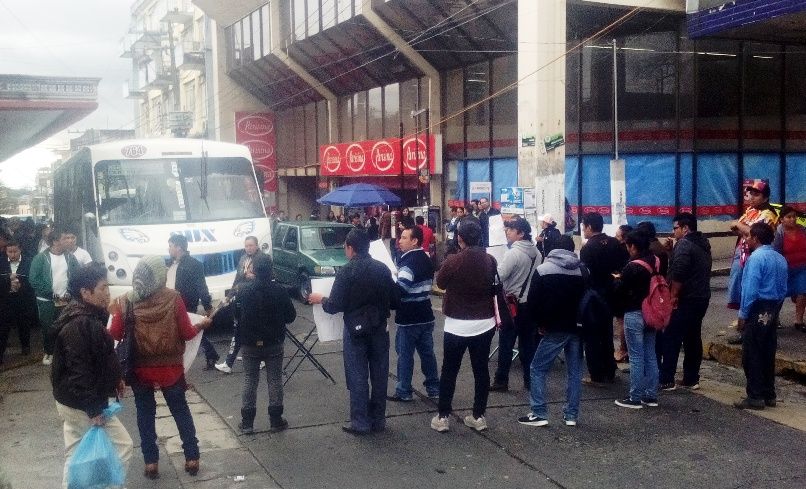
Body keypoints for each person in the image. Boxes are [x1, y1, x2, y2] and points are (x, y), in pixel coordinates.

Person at [109, 256, 212, 479]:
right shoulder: (173, 298)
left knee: (145, 414)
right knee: (180, 411)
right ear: (159, 276)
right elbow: (187, 333)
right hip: (170, 368)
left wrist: (115, 311)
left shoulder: (126, 301)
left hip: (139, 369)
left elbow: (115, 334)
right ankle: (191, 457)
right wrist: (201, 324)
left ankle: (151, 462)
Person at [51, 263, 133, 488]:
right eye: (102, 288)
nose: (107, 293)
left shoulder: (85, 315)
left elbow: (100, 357)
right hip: (80, 402)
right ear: (85, 293)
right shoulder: (80, 323)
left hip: (69, 399)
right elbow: (79, 370)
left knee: (75, 452)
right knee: (123, 446)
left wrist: (116, 378)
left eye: (108, 287)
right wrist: (94, 409)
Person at [308, 229, 396, 435]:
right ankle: (378, 419)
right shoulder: (382, 269)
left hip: (355, 329)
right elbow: (395, 299)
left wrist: (321, 299)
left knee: (357, 375)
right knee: (380, 373)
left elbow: (334, 305)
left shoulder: (346, 272)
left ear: (350, 248)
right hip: (379, 327)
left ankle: (360, 421)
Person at [431, 218, 497, 433]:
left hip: (457, 323)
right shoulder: (490, 260)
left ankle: (443, 416)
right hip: (484, 321)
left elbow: (440, 283)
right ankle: (478, 415)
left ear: (459, 238)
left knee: (450, 370)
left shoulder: (453, 260)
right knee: (481, 370)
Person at [518, 236, 586, 427]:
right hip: (578, 327)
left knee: (537, 368)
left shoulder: (543, 270)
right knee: (574, 372)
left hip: (553, 327)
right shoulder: (582, 270)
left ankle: (539, 412)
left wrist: (540, 324)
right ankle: (571, 415)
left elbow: (533, 302)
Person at [235, 253, 297, 433]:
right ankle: (276, 419)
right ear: (271, 270)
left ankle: (247, 422)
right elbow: (291, 316)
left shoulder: (243, 291)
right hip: (274, 341)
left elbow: (236, 315)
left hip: (249, 342)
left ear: (253, 269)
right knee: (274, 379)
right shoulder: (279, 290)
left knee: (250, 379)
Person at [734, 223, 788, 410]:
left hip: (758, 306)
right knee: (767, 351)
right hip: (774, 307)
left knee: (752, 353)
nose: (747, 239)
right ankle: (768, 393)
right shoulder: (780, 258)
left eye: (749, 236)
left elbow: (750, 289)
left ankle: (755, 396)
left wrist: (743, 314)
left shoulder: (756, 258)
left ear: (756, 238)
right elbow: (784, 288)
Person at [658, 213, 712, 391]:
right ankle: (691, 378)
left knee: (672, 336)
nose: (673, 232)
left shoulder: (684, 244)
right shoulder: (702, 243)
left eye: (675, 228)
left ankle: (667, 379)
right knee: (692, 336)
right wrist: (670, 252)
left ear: (685, 228)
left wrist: (673, 296)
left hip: (686, 297)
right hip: (701, 296)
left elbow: (679, 272)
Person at [387, 225, 440, 403]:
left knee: (405, 357)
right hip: (426, 314)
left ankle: (404, 391)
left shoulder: (407, 263)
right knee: (427, 354)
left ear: (415, 241)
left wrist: (391, 281)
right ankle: (434, 388)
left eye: (404, 238)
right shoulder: (426, 259)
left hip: (408, 318)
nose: (399, 241)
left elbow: (400, 290)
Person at [490, 217, 540, 392]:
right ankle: (530, 380)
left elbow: (498, 277)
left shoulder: (513, 253)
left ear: (521, 233)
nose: (507, 232)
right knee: (528, 344)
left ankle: (501, 380)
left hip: (512, 304)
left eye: (511, 229)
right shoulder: (537, 253)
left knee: (506, 343)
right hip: (529, 303)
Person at [613, 230, 660, 409]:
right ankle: (651, 395)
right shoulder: (656, 260)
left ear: (632, 246)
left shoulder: (632, 266)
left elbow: (620, 289)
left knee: (636, 356)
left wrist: (617, 280)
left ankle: (635, 397)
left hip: (634, 311)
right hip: (652, 311)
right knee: (650, 355)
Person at [579, 212, 626, 384]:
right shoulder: (614, 243)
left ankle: (596, 374)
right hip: (611, 293)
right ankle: (609, 370)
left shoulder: (588, 248)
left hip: (593, 295)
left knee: (592, 335)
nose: (583, 230)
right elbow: (622, 266)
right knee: (607, 333)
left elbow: (585, 274)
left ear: (590, 227)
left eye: (584, 227)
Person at [29, 228, 80, 366]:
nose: (68, 241)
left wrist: (70, 291)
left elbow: (77, 276)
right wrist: (49, 293)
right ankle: (49, 352)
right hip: (47, 301)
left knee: (66, 327)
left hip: (66, 300)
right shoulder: (40, 258)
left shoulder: (70, 257)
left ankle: (66, 353)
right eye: (64, 238)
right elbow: (34, 279)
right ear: (55, 241)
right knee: (48, 327)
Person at [167, 234, 219, 369]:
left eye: (170, 246)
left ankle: (208, 354)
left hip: (186, 303)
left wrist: (207, 305)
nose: (168, 249)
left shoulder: (194, 264)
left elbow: (201, 287)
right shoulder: (170, 263)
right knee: (187, 329)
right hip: (170, 303)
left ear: (179, 247)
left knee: (189, 329)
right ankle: (210, 354)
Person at [727, 179, 779, 311]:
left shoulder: (769, 213)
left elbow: (756, 233)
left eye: (756, 195)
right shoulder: (750, 210)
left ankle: (752, 315)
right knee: (740, 284)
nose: (751, 197)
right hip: (742, 251)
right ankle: (744, 314)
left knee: (752, 285)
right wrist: (742, 228)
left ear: (765, 198)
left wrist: (740, 225)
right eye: (751, 194)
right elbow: (737, 229)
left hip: (756, 254)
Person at [216, 236, 261, 373]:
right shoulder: (243, 259)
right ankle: (252, 357)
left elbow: (269, 278)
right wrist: (229, 296)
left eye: (251, 245)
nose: (249, 248)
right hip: (242, 299)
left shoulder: (262, 259)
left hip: (255, 301)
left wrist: (255, 277)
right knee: (242, 330)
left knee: (247, 330)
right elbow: (238, 279)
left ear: (257, 245)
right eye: (246, 246)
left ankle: (230, 362)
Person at [0, 240, 36, 364]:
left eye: (15, 251)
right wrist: (7, 280)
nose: (12, 254)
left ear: (20, 250)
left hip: (23, 298)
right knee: (3, 326)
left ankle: (25, 346)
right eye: (9, 252)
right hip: (5, 299)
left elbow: (33, 279)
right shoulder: (1, 262)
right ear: (6, 251)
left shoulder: (28, 262)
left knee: (23, 323)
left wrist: (22, 286)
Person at [772, 206, 806, 331]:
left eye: (794, 216)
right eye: (789, 217)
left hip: (802, 268)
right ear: (781, 219)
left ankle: (799, 321)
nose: (792, 219)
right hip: (784, 270)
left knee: (803, 292)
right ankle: (774, 319)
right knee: (779, 295)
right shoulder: (778, 233)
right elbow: (776, 252)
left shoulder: (802, 230)